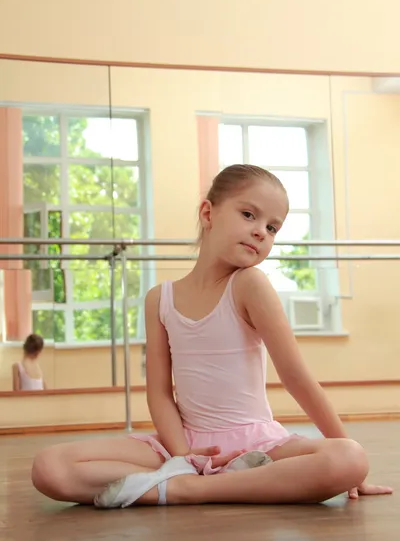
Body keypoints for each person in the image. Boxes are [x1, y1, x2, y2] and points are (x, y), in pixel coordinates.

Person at [31, 164, 393, 507]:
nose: (260, 232)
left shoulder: (249, 284)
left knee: (349, 458)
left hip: (258, 444)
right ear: (208, 214)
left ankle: (186, 490)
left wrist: (348, 457)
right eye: (249, 215)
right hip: (184, 441)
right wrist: (181, 455)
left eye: (272, 228)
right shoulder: (160, 298)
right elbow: (159, 392)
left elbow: (296, 378)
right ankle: (187, 479)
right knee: (50, 467)